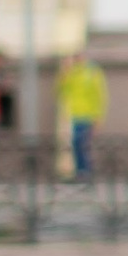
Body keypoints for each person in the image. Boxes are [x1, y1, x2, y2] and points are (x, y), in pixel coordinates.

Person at [55, 46, 107, 178]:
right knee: (76, 143)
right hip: (74, 115)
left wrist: (98, 117)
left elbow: (100, 96)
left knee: (82, 143)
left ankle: (86, 171)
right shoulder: (71, 73)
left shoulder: (92, 73)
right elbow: (60, 91)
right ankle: (81, 171)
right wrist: (64, 73)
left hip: (88, 115)